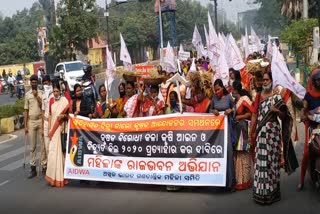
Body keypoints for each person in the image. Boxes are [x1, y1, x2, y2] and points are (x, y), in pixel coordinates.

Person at [251, 71, 298, 204]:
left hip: (273, 136)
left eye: (267, 80)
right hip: (260, 136)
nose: (265, 82)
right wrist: (252, 132)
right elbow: (254, 114)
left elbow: (285, 116)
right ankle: (261, 194)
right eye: (263, 80)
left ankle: (272, 193)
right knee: (261, 164)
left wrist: (276, 111)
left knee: (272, 163)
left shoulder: (276, 97)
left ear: (272, 81)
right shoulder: (259, 96)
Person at [210, 79, 236, 191]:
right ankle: (220, 183)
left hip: (227, 129)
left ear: (222, 88)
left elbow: (235, 108)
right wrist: (213, 111)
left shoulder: (228, 97)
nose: (217, 92)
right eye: (215, 90)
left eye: (218, 89)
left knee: (229, 154)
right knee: (218, 154)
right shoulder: (214, 98)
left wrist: (231, 110)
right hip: (217, 132)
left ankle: (231, 184)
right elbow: (210, 109)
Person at [297, 68, 320, 191]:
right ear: (315, 81)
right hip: (311, 126)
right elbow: (304, 107)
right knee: (306, 153)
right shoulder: (309, 95)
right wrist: (302, 114)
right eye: (319, 80)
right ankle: (301, 181)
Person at [46, 82, 70, 187]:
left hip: (61, 129)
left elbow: (69, 115)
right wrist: (50, 129)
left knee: (61, 155)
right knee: (52, 154)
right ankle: (52, 178)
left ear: (60, 91)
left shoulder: (64, 101)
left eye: (57, 91)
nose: (55, 93)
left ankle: (61, 178)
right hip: (53, 130)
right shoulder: (51, 100)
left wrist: (63, 116)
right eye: (54, 91)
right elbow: (50, 115)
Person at [232, 81, 253, 191]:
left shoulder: (245, 98)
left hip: (244, 129)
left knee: (244, 154)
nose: (232, 91)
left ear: (236, 90)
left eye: (233, 89)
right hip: (237, 129)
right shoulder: (235, 101)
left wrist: (240, 117)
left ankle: (245, 181)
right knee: (238, 154)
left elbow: (251, 113)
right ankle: (239, 180)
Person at [24, 75, 45, 178]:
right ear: (30, 83)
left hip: (40, 120)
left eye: (35, 82)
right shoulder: (27, 95)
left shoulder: (41, 93)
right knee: (32, 147)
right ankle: (33, 168)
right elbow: (26, 110)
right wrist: (25, 126)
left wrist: (37, 96)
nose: (33, 83)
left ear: (37, 82)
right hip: (31, 122)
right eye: (32, 82)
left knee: (42, 145)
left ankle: (44, 165)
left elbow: (43, 107)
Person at [41, 75, 53, 175]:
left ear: (50, 83)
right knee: (47, 146)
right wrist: (42, 127)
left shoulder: (55, 93)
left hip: (53, 122)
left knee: (54, 146)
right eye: (44, 84)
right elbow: (43, 111)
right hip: (45, 122)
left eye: (47, 83)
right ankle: (50, 170)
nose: (46, 85)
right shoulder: (43, 95)